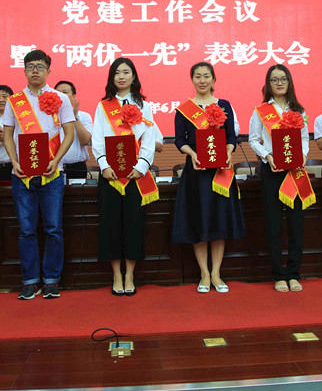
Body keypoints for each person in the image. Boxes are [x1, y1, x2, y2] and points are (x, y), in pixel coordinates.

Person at [3, 50, 75, 300]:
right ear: (24, 70)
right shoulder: (15, 101)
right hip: (22, 174)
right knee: (26, 230)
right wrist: (14, 161)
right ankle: (30, 281)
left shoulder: (60, 98)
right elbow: (8, 135)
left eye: (40, 66)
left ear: (48, 71)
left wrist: (56, 160)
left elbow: (69, 134)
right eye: (31, 66)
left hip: (52, 173)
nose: (35, 70)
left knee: (54, 228)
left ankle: (52, 280)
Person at [173, 62, 245, 293]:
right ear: (192, 79)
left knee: (218, 221)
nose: (202, 80)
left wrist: (229, 152)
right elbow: (179, 140)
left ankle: (216, 273)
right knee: (199, 221)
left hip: (220, 172)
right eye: (197, 76)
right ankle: (204, 273)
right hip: (196, 172)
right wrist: (192, 153)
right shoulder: (184, 109)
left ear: (214, 79)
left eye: (206, 76)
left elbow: (231, 136)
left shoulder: (224, 105)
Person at [92, 58, 158, 296]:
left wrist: (141, 166)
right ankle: (116, 275)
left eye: (126, 72)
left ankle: (129, 274)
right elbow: (97, 139)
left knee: (133, 225)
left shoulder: (144, 105)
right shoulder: (103, 106)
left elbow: (149, 139)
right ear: (111, 77)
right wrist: (103, 165)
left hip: (135, 176)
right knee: (111, 226)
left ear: (133, 76)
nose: (121, 76)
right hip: (110, 175)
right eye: (117, 72)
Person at [249, 64, 314, 292]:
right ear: (268, 84)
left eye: (283, 79)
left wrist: (303, 155)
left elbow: (304, 138)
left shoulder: (298, 110)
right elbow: (253, 140)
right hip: (272, 171)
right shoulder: (260, 111)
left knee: (296, 225)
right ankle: (278, 274)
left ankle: (294, 273)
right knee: (273, 224)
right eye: (274, 79)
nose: (279, 83)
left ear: (289, 82)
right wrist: (267, 156)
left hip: (295, 171)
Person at [54, 80, 93, 179]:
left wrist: (74, 117)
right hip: (54, 167)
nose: (61, 96)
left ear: (74, 96)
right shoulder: (49, 116)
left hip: (76, 168)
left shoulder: (84, 116)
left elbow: (85, 141)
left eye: (65, 92)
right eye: (57, 92)